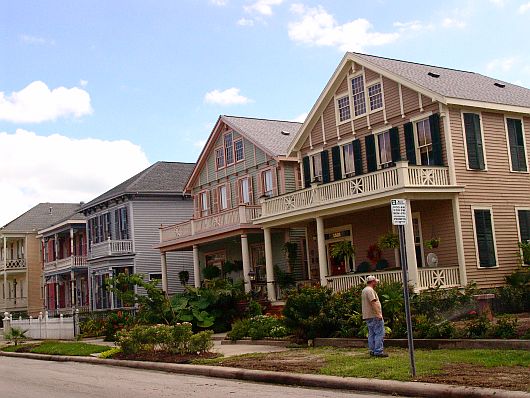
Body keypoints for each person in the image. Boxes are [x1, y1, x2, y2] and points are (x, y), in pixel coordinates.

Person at [361, 275, 388, 357]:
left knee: (371, 333)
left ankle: (372, 350)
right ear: (372, 281)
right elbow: (373, 302)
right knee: (379, 333)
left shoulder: (364, 290)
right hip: (374, 315)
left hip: (368, 315)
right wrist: (379, 314)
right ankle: (378, 351)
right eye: (375, 281)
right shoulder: (370, 290)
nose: (376, 283)